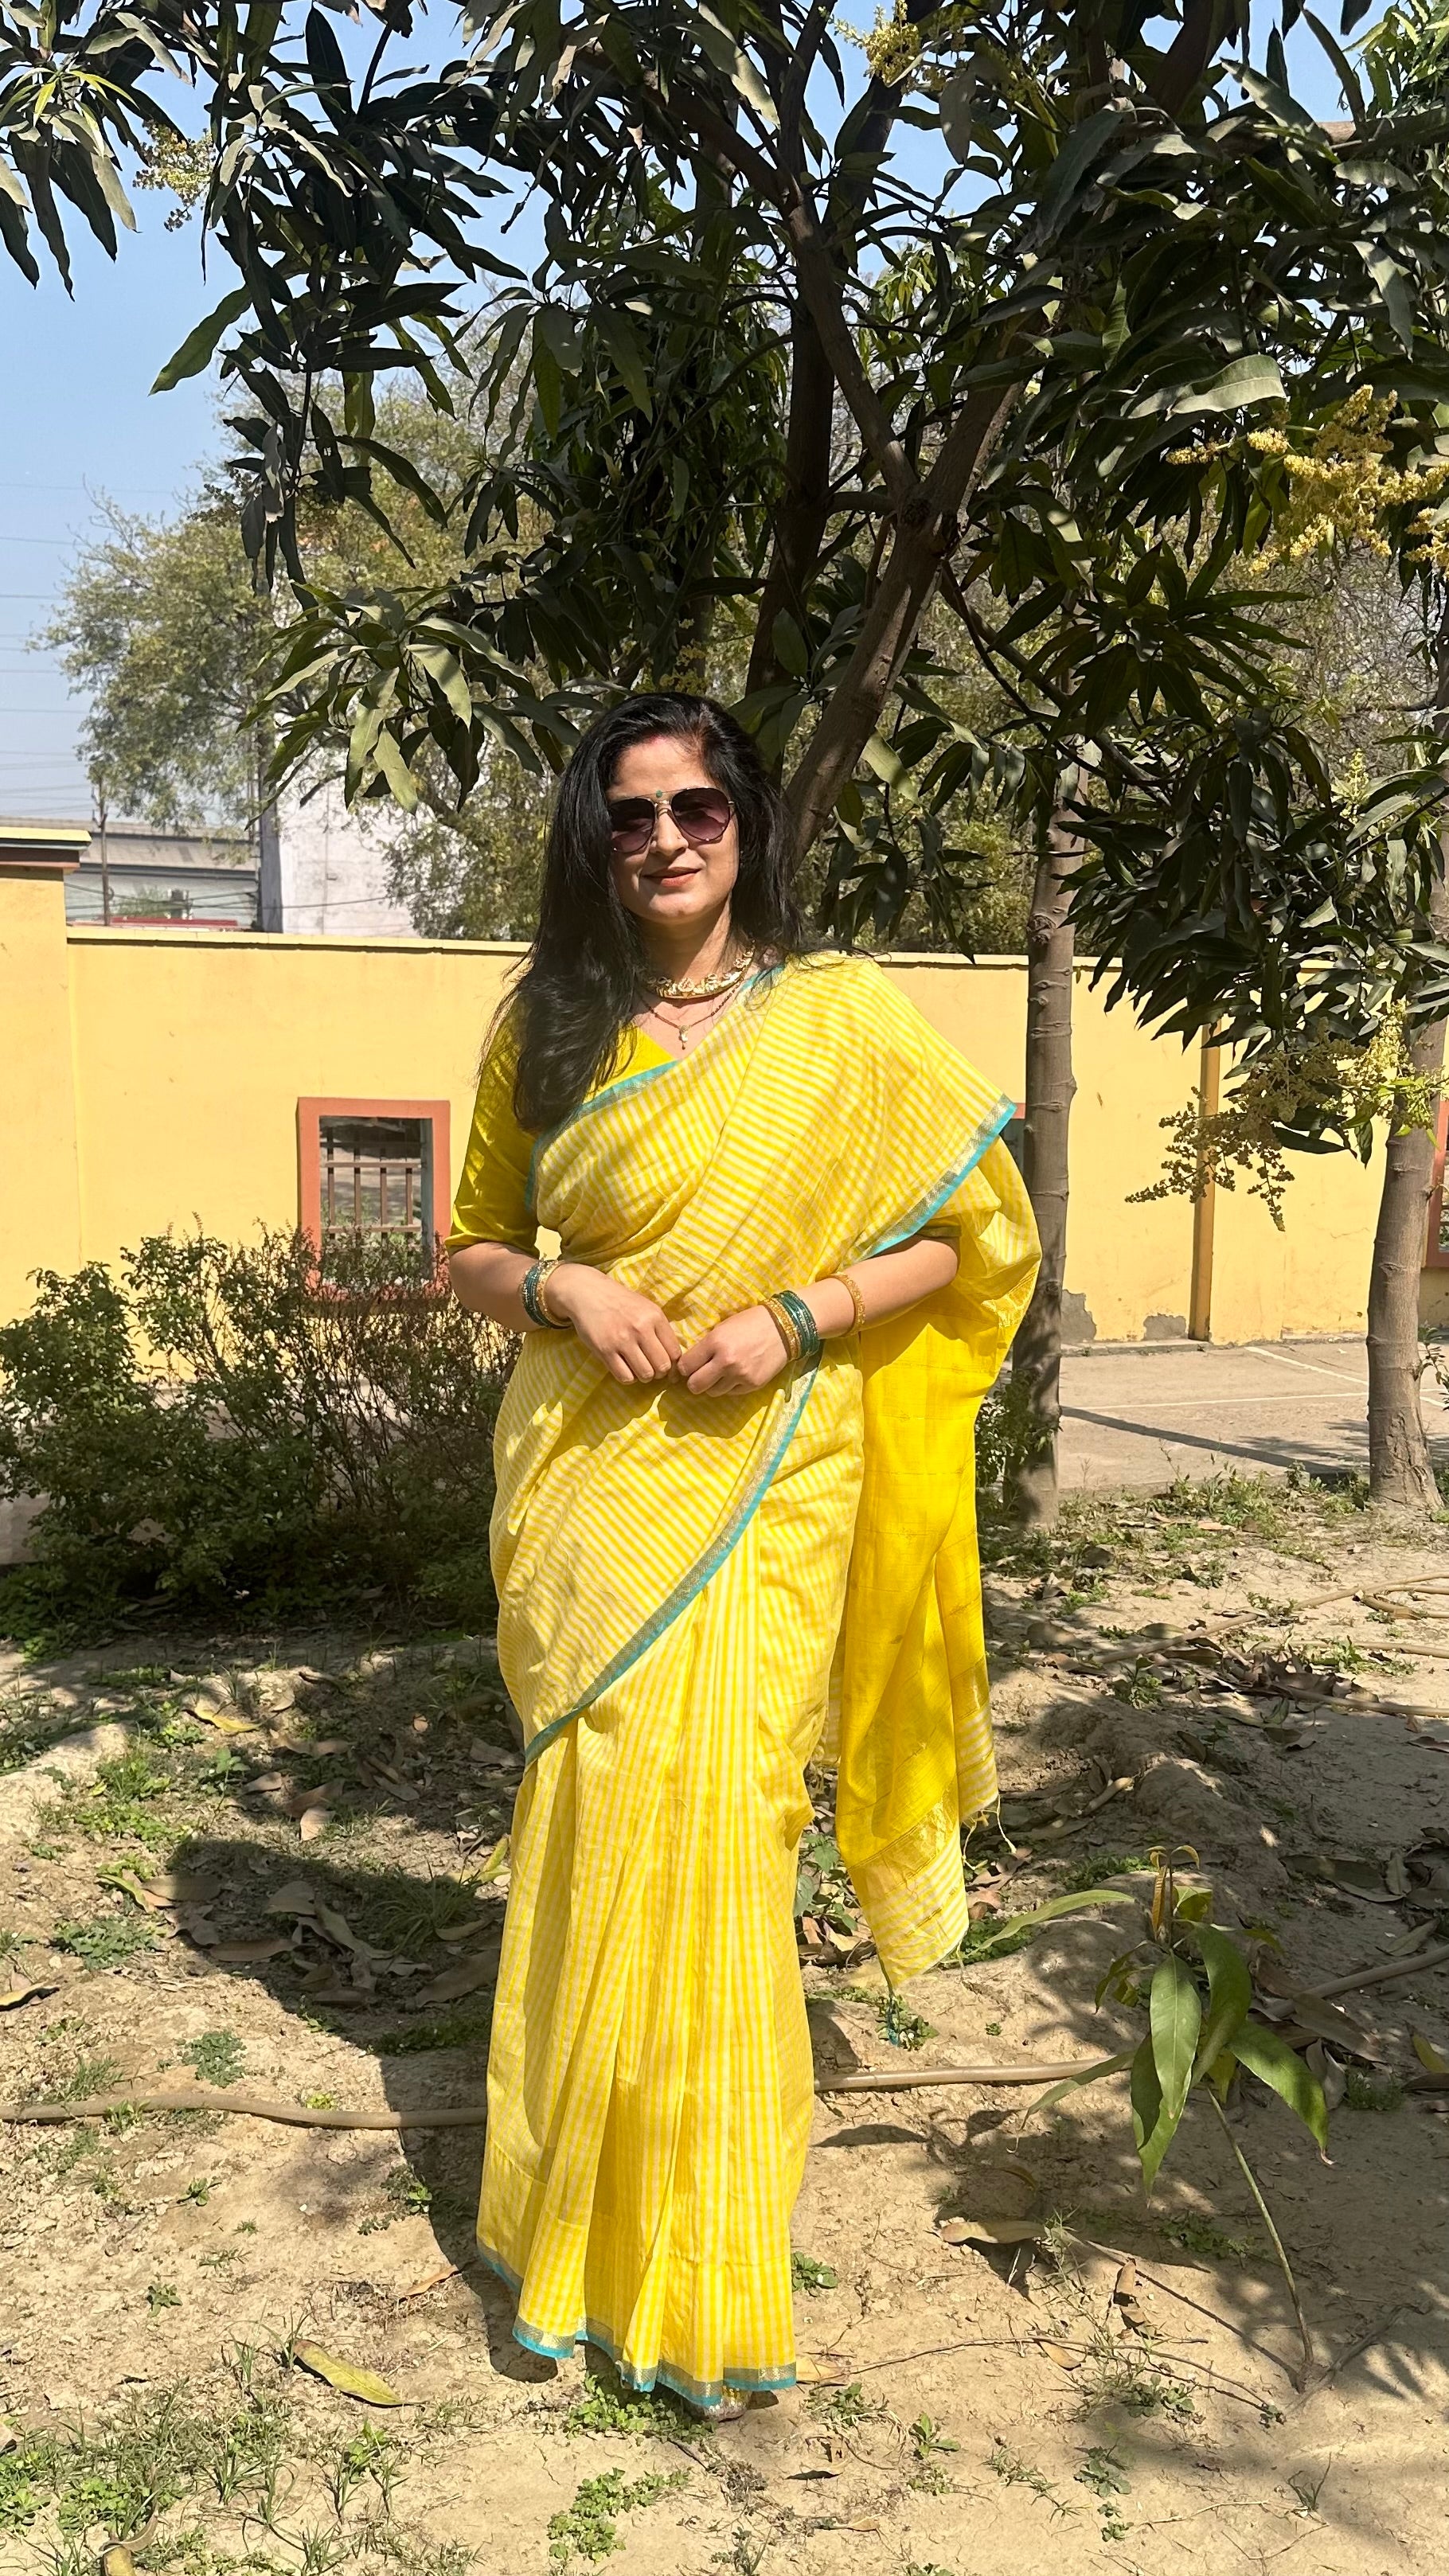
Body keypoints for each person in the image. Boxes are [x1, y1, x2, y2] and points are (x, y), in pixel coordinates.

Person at [447, 690, 1039, 2413]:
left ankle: (701, 2267)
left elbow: (972, 1236)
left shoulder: (842, 1020)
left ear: (746, 823)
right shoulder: (545, 1021)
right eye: (630, 813)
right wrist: (567, 1286)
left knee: (723, 1825)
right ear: (593, 838)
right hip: (588, 1477)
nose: (665, 840)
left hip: (776, 1467)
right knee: (600, 1816)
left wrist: (800, 1313)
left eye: (696, 807)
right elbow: (472, 1245)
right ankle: (569, 2223)